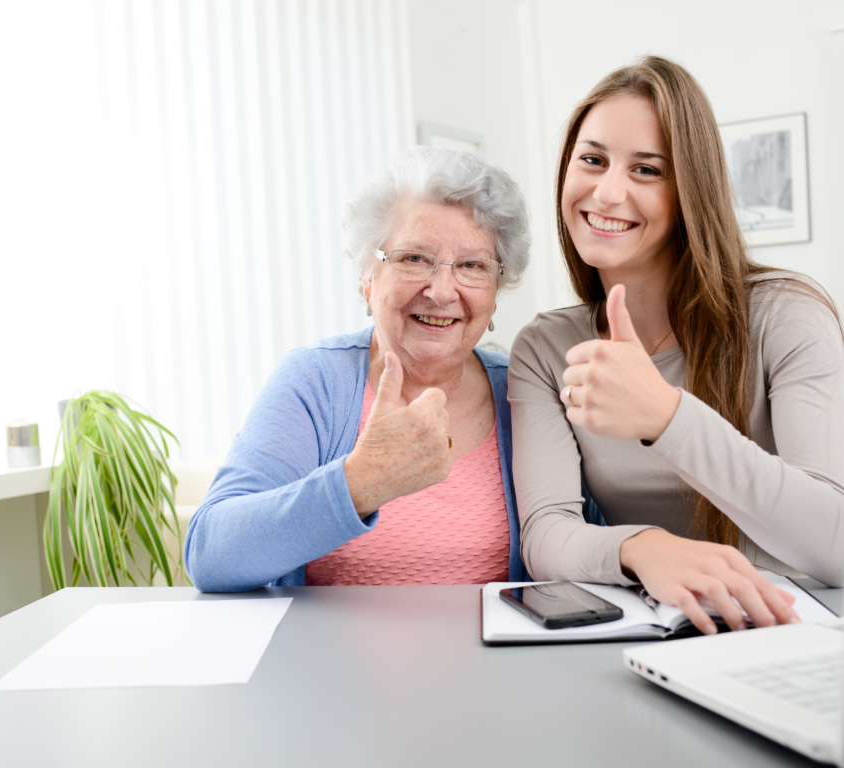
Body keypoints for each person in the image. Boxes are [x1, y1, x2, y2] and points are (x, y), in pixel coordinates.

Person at [509, 55, 844, 635]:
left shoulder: (786, 315)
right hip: (652, 632)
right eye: (592, 160)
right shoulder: (546, 346)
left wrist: (666, 417)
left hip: (796, 630)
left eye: (647, 170)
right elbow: (547, 533)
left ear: (692, 189)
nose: (607, 192)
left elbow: (834, 542)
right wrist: (643, 548)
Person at [186, 146, 599, 592]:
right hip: (331, 662)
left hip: (493, 661)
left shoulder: (525, 390)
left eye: (472, 266)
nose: (441, 291)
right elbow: (210, 554)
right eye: (413, 258)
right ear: (368, 275)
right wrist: (360, 483)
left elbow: (589, 541)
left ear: (496, 291)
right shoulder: (316, 381)